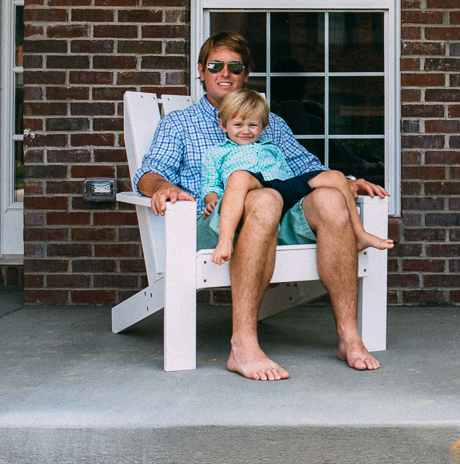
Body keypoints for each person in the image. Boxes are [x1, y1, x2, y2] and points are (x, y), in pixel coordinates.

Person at [135, 31, 390, 380]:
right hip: (217, 224)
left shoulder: (272, 124)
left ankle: (349, 337)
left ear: (245, 74)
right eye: (215, 66)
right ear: (201, 71)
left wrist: (347, 182)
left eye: (234, 67)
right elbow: (149, 174)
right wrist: (162, 187)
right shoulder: (179, 124)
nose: (225, 73)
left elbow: (306, 168)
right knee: (264, 197)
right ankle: (242, 345)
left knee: (330, 197)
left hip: (278, 218)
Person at [201, 88, 393, 266]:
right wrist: (212, 200)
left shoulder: (272, 148)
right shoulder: (217, 153)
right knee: (239, 177)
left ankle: (359, 234)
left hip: (281, 188)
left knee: (335, 176)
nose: (245, 131)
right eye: (238, 125)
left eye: (253, 125)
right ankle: (225, 240)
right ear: (223, 125)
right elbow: (210, 182)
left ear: (264, 126)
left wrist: (302, 189)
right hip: (251, 191)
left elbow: (287, 173)